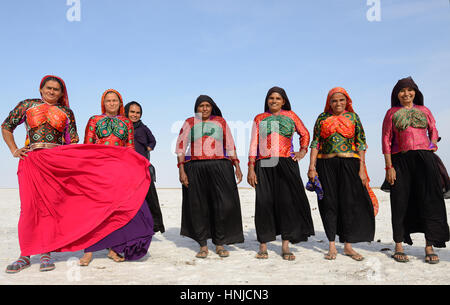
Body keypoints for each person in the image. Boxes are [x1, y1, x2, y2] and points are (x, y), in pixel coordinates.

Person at [2, 76, 151, 273]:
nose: (52, 92)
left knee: (51, 208)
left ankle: (46, 252)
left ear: (62, 93)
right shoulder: (27, 105)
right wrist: (14, 150)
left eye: (57, 89)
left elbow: (72, 142)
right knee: (28, 207)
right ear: (41, 89)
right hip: (31, 161)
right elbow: (6, 126)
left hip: (56, 162)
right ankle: (25, 254)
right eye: (49, 88)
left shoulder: (66, 112)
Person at [79, 89, 154, 266]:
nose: (112, 103)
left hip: (120, 170)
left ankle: (114, 249)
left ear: (120, 104)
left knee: (118, 210)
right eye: (108, 101)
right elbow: (87, 145)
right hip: (98, 169)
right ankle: (88, 251)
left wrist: (135, 168)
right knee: (94, 209)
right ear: (103, 103)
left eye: (115, 101)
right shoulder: (94, 120)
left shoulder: (126, 122)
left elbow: (129, 148)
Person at [382, 77, 449, 264]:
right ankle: (399, 244)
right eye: (402, 91)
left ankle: (429, 245)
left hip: (425, 159)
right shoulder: (391, 113)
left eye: (410, 90)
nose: (406, 94)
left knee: (429, 200)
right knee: (400, 200)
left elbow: (433, 129)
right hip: (400, 160)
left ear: (415, 92)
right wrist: (389, 167)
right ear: (397, 94)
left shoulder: (424, 110)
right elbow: (386, 140)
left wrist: (433, 144)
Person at [308, 87, 376, 261]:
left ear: (347, 101)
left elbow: (361, 143)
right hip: (326, 164)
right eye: (334, 100)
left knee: (349, 203)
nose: (338, 103)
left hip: (350, 164)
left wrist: (361, 168)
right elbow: (315, 143)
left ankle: (347, 246)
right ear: (329, 102)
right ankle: (332, 245)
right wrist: (312, 167)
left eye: (341, 100)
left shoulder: (353, 117)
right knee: (328, 203)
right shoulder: (322, 118)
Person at [247, 86, 314, 261]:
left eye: (278, 98)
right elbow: (254, 144)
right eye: (271, 98)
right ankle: (263, 245)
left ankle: (285, 245)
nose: (274, 101)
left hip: (286, 163)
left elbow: (305, 134)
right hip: (264, 163)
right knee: (263, 203)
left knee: (286, 203)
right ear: (267, 101)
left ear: (283, 101)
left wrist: (302, 151)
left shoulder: (291, 116)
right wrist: (251, 168)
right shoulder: (259, 118)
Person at [176, 95, 244, 258]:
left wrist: (237, 165)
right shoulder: (189, 123)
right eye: (201, 106)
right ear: (196, 108)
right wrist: (181, 170)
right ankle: (203, 245)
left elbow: (230, 144)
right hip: (195, 167)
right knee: (198, 206)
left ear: (212, 107)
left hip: (220, 166)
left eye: (207, 105)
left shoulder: (220, 122)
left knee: (222, 205)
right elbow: (180, 147)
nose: (204, 108)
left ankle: (219, 243)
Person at [125, 101, 165, 233]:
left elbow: (153, 140)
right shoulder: (121, 126)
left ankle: (152, 226)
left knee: (149, 198)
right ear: (126, 112)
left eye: (138, 113)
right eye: (132, 112)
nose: (135, 115)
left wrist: (149, 148)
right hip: (125, 169)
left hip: (142, 168)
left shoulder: (143, 128)